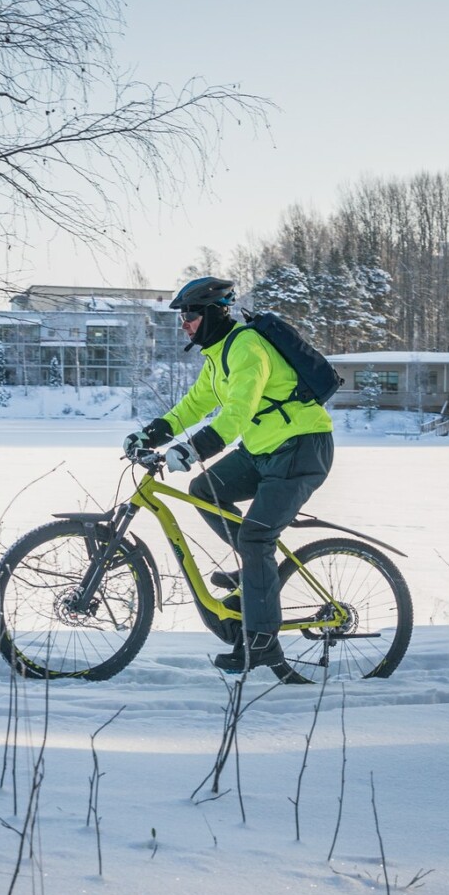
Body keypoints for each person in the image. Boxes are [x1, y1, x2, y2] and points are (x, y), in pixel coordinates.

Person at [124, 276, 335, 673]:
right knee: (205, 488)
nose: (184, 324)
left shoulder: (247, 348)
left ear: (211, 313)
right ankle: (257, 573)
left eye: (188, 315)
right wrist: (150, 435)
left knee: (256, 537)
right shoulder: (218, 355)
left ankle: (263, 642)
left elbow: (236, 413)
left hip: (301, 448)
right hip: (262, 451)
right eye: (182, 317)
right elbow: (193, 406)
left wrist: (193, 449)